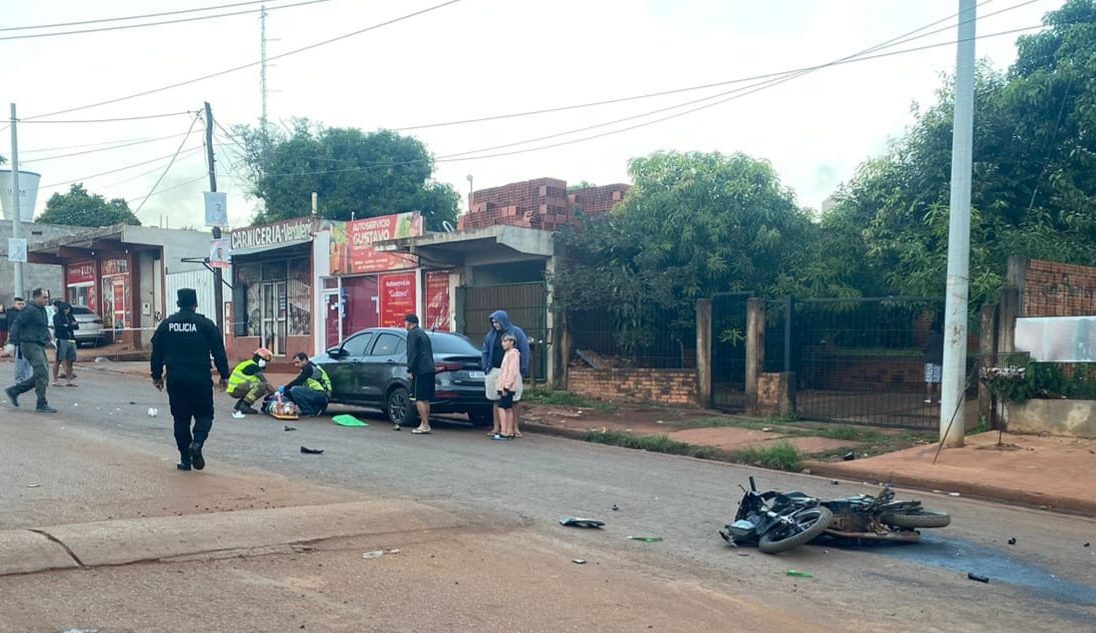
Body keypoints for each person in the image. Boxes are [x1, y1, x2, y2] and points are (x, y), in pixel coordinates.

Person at [150, 288, 230, 471]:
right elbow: (219, 351)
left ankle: (185, 459)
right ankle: (197, 443)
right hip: (200, 377)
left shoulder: (167, 324)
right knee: (205, 415)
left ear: (178, 303)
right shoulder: (205, 324)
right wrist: (224, 375)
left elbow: (157, 352)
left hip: (176, 378)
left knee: (180, 419)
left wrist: (156, 375)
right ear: (195, 303)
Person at [4, 288, 57, 413]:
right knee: (42, 372)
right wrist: (12, 342)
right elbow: (16, 324)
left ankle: (15, 391)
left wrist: (49, 341)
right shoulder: (29, 310)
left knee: (41, 374)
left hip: (39, 345)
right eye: (44, 297)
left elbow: (42, 327)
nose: (47, 300)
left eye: (47, 297)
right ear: (36, 297)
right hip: (29, 345)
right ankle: (41, 403)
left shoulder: (41, 310)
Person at [481, 310, 530, 438]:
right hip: (495, 370)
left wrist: (522, 369)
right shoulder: (490, 335)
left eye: (497, 322)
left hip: (512, 372)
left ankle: (514, 428)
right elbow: (485, 351)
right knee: (496, 400)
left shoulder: (516, 333)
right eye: (493, 322)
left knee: (513, 400)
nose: (495, 324)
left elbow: (525, 350)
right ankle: (497, 427)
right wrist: (486, 367)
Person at [404, 313, 435, 434]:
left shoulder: (412, 334)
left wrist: (410, 370)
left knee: (419, 398)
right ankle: (424, 423)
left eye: (405, 322)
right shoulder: (423, 333)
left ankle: (425, 424)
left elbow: (412, 353)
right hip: (429, 369)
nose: (404, 325)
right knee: (426, 398)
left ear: (410, 322)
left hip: (420, 370)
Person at [279, 352, 331, 416]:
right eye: (295, 363)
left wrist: (285, 388)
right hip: (319, 395)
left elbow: (298, 381)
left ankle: (309, 411)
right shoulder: (307, 368)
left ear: (304, 360)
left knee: (295, 390)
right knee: (292, 391)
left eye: (298, 362)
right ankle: (313, 409)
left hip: (323, 395)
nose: (296, 365)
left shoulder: (309, 368)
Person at [227, 347, 275, 414]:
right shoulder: (253, 366)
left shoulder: (249, 363)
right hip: (236, 388)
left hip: (235, 388)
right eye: (265, 361)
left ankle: (240, 404)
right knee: (262, 387)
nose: (266, 363)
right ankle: (245, 405)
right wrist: (276, 393)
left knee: (256, 386)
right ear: (259, 359)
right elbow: (265, 382)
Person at [493, 333, 522, 440]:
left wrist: (506, 386)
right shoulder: (508, 354)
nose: (503, 344)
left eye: (505, 341)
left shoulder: (513, 354)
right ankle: (509, 431)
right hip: (506, 386)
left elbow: (512, 372)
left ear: (512, 342)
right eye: (502, 341)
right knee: (508, 408)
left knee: (502, 407)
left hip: (507, 386)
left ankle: (504, 431)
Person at [52, 302, 79, 387]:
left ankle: (68, 380)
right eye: (65, 309)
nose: (67, 311)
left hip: (71, 340)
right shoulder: (57, 317)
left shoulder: (71, 316)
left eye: (68, 309)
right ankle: (55, 380)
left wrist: (68, 325)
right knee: (58, 360)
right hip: (61, 339)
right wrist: (70, 325)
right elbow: (59, 327)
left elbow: (76, 326)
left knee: (70, 361)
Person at [923, 323, 944, 405]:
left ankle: (929, 398)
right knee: (939, 381)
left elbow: (924, 349)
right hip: (939, 361)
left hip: (929, 361)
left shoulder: (929, 338)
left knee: (929, 381)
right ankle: (939, 399)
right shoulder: (943, 338)